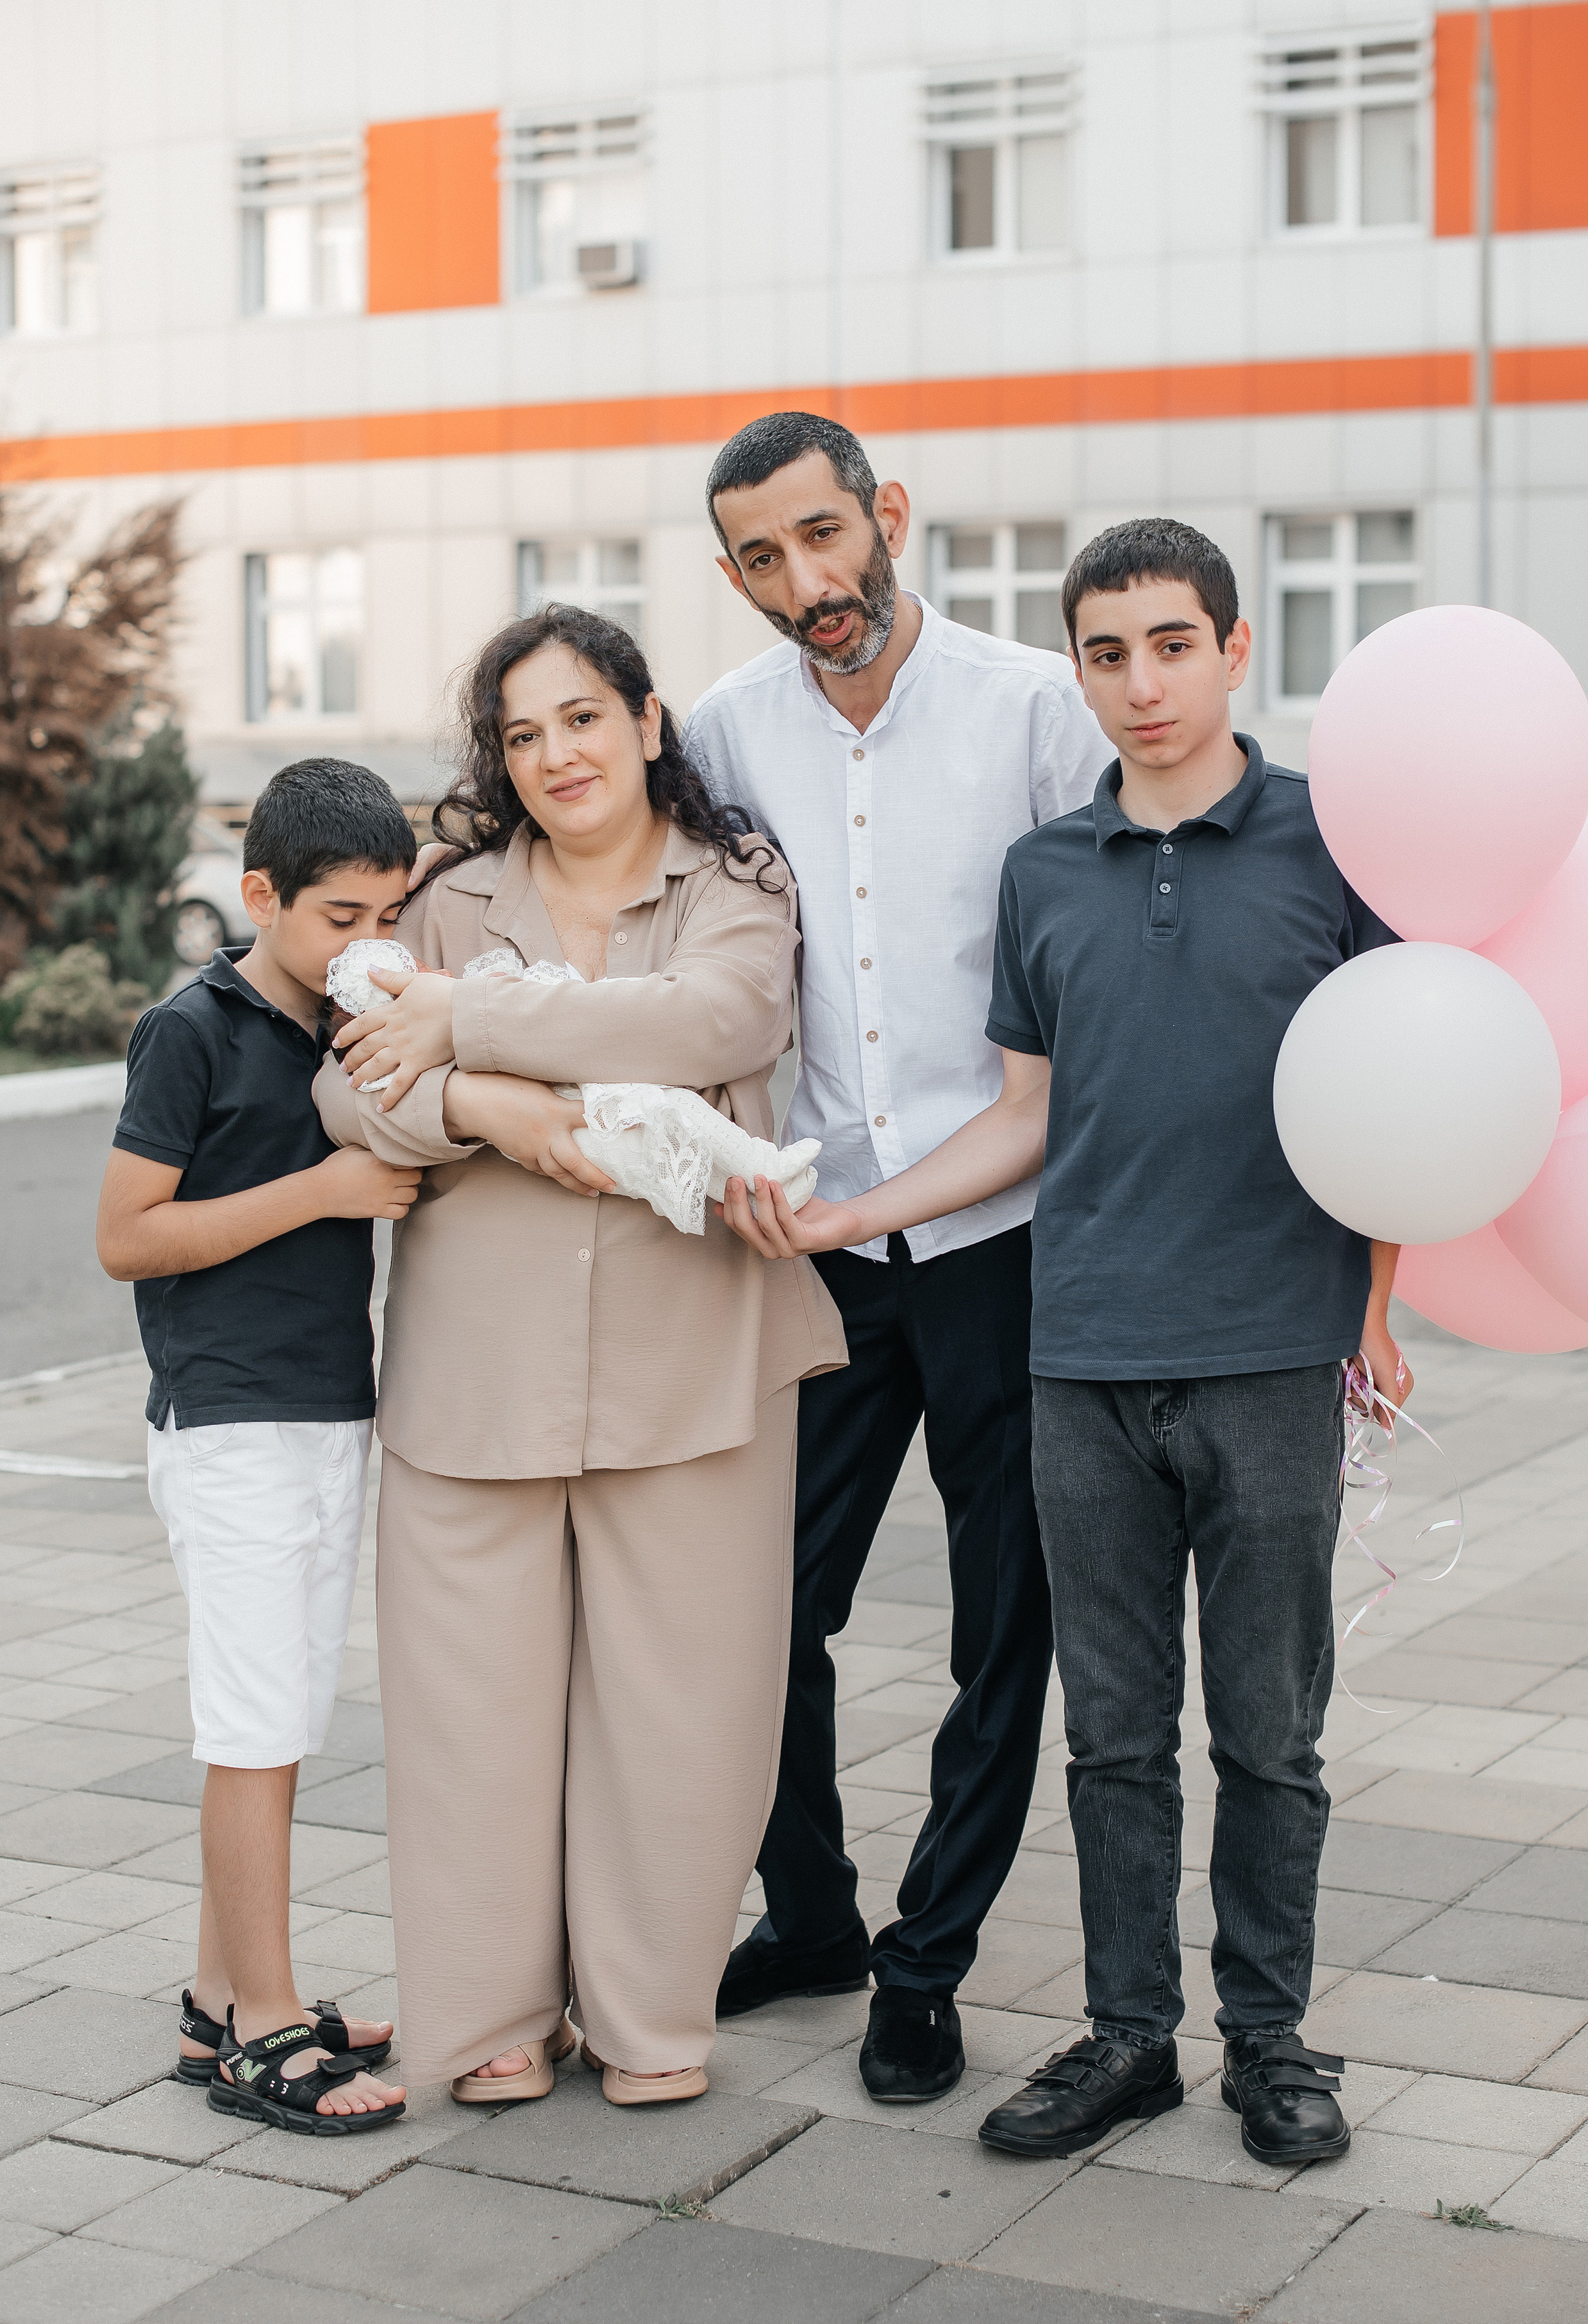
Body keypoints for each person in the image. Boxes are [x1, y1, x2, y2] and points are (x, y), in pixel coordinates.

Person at [721, 516, 1409, 2169]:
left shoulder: (1334, 844)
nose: (1139, 682)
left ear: (1234, 649)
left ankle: (1269, 2043)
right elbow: (1019, 1119)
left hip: (1266, 1353)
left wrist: (1377, 1309)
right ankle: (1124, 2038)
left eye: (1171, 643)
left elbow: (1405, 1085)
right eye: (1104, 652)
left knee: (1267, 1735)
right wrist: (842, 1214)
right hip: (1078, 1353)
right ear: (1076, 669)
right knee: (1110, 1737)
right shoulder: (1043, 870)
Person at [317, 604, 846, 2106]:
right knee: (467, 1703)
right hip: (471, 1369)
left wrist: (469, 1026)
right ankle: (490, 2010)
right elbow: (347, 1092)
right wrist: (494, 1113)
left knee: (687, 1704)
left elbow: (711, 1021)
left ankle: (649, 2014)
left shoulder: (734, 882)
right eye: (522, 731)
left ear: (647, 721)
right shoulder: (444, 897)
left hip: (697, 1361)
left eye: (582, 718)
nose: (556, 754)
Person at [683, 412, 1110, 2103]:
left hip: (1011, 1238)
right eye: (767, 559)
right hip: (822, 1241)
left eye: (825, 537)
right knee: (759, 1609)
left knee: (1007, 1627)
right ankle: (811, 1912)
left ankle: (924, 1965)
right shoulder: (719, 734)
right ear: (734, 577)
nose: (809, 583)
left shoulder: (1038, 713)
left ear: (888, 517)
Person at [97, 759, 421, 2136]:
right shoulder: (193, 1027)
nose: (366, 945)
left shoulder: (340, 1029)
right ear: (258, 896)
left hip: (318, 1407)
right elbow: (128, 1236)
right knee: (255, 1730)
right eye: (337, 916)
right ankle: (266, 2036)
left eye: (384, 916)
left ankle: (216, 1997)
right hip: (231, 1422)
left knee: (278, 1714)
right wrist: (327, 1189)